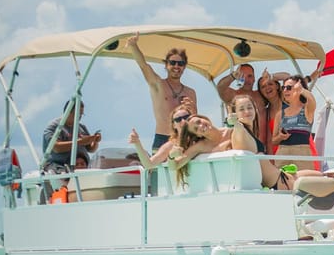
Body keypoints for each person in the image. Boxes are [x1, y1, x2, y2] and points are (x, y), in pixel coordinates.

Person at [169, 114, 320, 190]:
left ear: (205, 118)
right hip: (274, 184)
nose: (201, 126)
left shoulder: (232, 131)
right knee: (325, 182)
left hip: (280, 177)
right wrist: (171, 156)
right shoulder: (202, 146)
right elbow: (175, 165)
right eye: (196, 128)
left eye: (200, 121)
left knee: (326, 177)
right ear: (197, 135)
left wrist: (236, 124)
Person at [127, 32, 198, 152]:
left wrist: (193, 110)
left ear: (184, 67)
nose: (176, 66)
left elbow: (195, 120)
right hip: (162, 138)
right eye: (172, 63)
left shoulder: (191, 92)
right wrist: (133, 45)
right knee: (156, 170)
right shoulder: (158, 85)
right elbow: (144, 66)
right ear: (166, 65)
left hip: (185, 140)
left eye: (180, 63)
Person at [42, 100, 101, 173]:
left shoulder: (81, 127)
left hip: (81, 168)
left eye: (81, 114)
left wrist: (95, 141)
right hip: (60, 168)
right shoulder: (54, 126)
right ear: (68, 112)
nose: (79, 117)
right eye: (77, 114)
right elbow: (56, 147)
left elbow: (90, 149)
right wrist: (80, 142)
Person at [128, 105, 194, 169]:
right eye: (178, 119)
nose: (183, 121)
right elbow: (149, 164)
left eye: (186, 117)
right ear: (174, 125)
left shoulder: (200, 138)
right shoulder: (171, 146)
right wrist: (137, 143)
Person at [272, 75, 317, 170]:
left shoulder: (306, 109)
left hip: (302, 154)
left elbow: (312, 102)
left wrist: (303, 91)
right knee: (281, 182)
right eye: (283, 87)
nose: (285, 90)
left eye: (288, 88)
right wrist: (280, 137)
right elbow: (273, 141)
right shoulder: (280, 114)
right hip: (282, 154)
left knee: (303, 183)